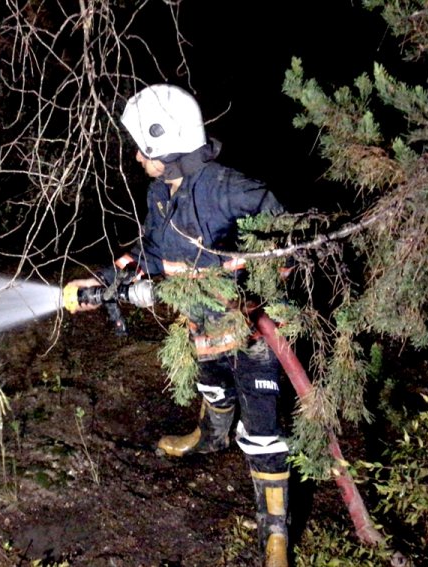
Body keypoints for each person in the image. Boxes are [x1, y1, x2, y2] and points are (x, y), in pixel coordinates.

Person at [66, 83, 291, 567]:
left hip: (253, 330)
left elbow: (283, 228)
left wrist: (263, 268)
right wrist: (106, 280)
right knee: (211, 382)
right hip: (201, 321)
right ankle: (210, 437)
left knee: (263, 429)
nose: (137, 155)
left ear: (167, 145)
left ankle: (275, 534)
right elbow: (150, 248)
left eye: (144, 148)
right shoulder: (159, 192)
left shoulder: (225, 187)